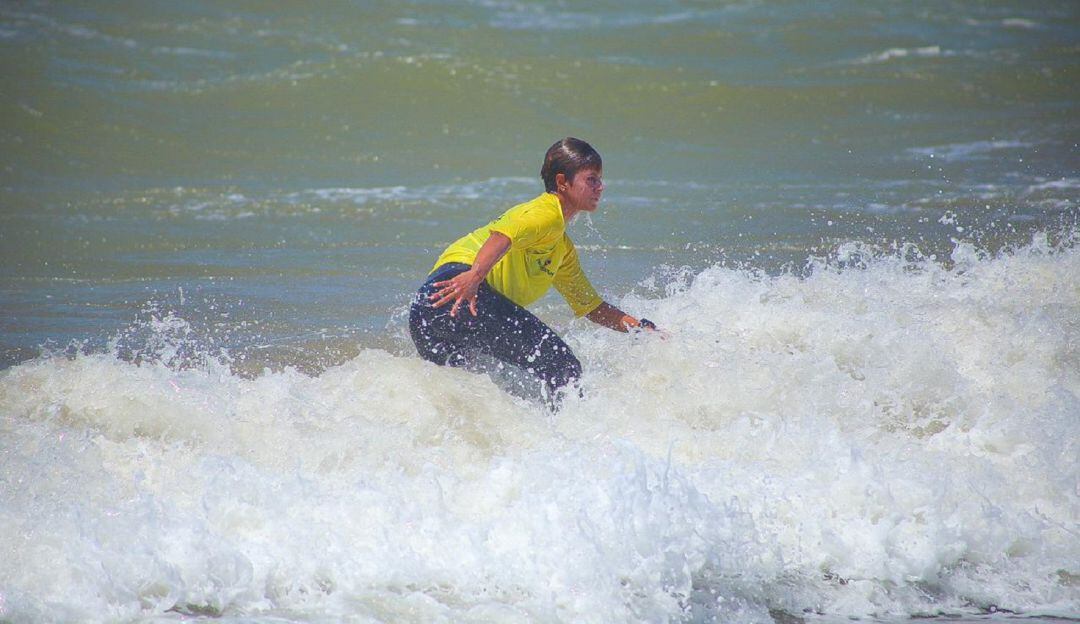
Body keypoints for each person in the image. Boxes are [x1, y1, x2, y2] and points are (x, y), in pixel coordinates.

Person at [408, 137, 656, 405]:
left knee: (469, 398)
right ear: (563, 182)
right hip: (461, 291)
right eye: (591, 179)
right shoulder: (546, 213)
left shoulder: (560, 248)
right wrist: (474, 277)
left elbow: (591, 306)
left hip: (428, 311)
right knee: (563, 367)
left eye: (600, 179)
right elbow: (504, 234)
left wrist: (641, 329)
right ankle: (569, 437)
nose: (600, 186)